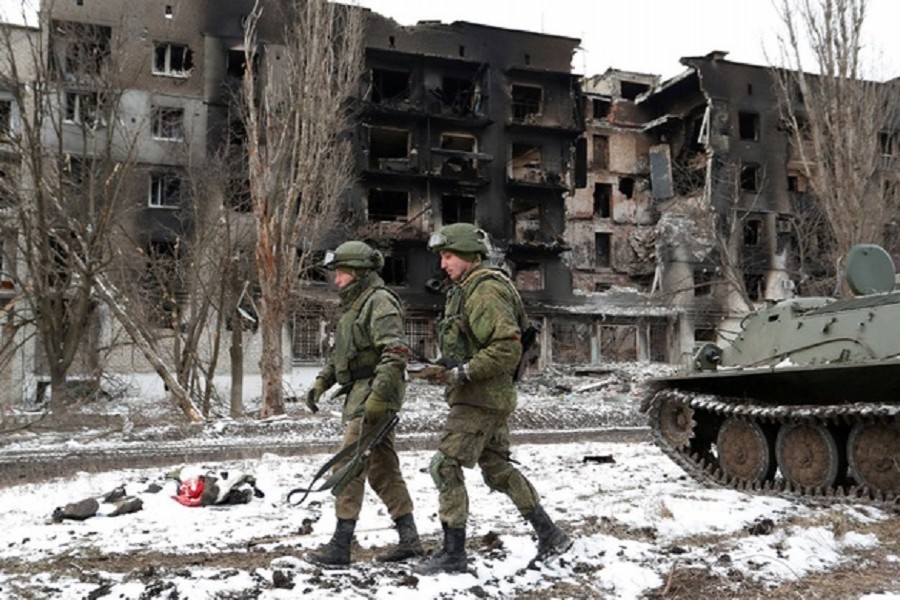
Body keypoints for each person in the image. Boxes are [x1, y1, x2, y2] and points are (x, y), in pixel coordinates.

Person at [418, 222, 572, 574]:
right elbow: (469, 347)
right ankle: (551, 535)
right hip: (483, 396)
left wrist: (462, 373)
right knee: (498, 471)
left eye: (448, 255)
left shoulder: (485, 290)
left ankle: (453, 553)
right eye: (442, 256)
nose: (443, 263)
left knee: (444, 466)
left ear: (471, 255)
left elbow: (505, 348)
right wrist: (436, 368)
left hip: (481, 398)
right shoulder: (464, 289)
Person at [304, 240, 423, 566]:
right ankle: (410, 539)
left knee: (348, 466)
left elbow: (395, 352)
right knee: (383, 470)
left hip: (374, 394)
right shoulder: (354, 306)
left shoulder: (379, 302)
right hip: (361, 391)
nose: (336, 279)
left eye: (340, 272)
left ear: (357, 272)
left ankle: (340, 547)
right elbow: (342, 355)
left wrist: (379, 398)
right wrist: (321, 382)